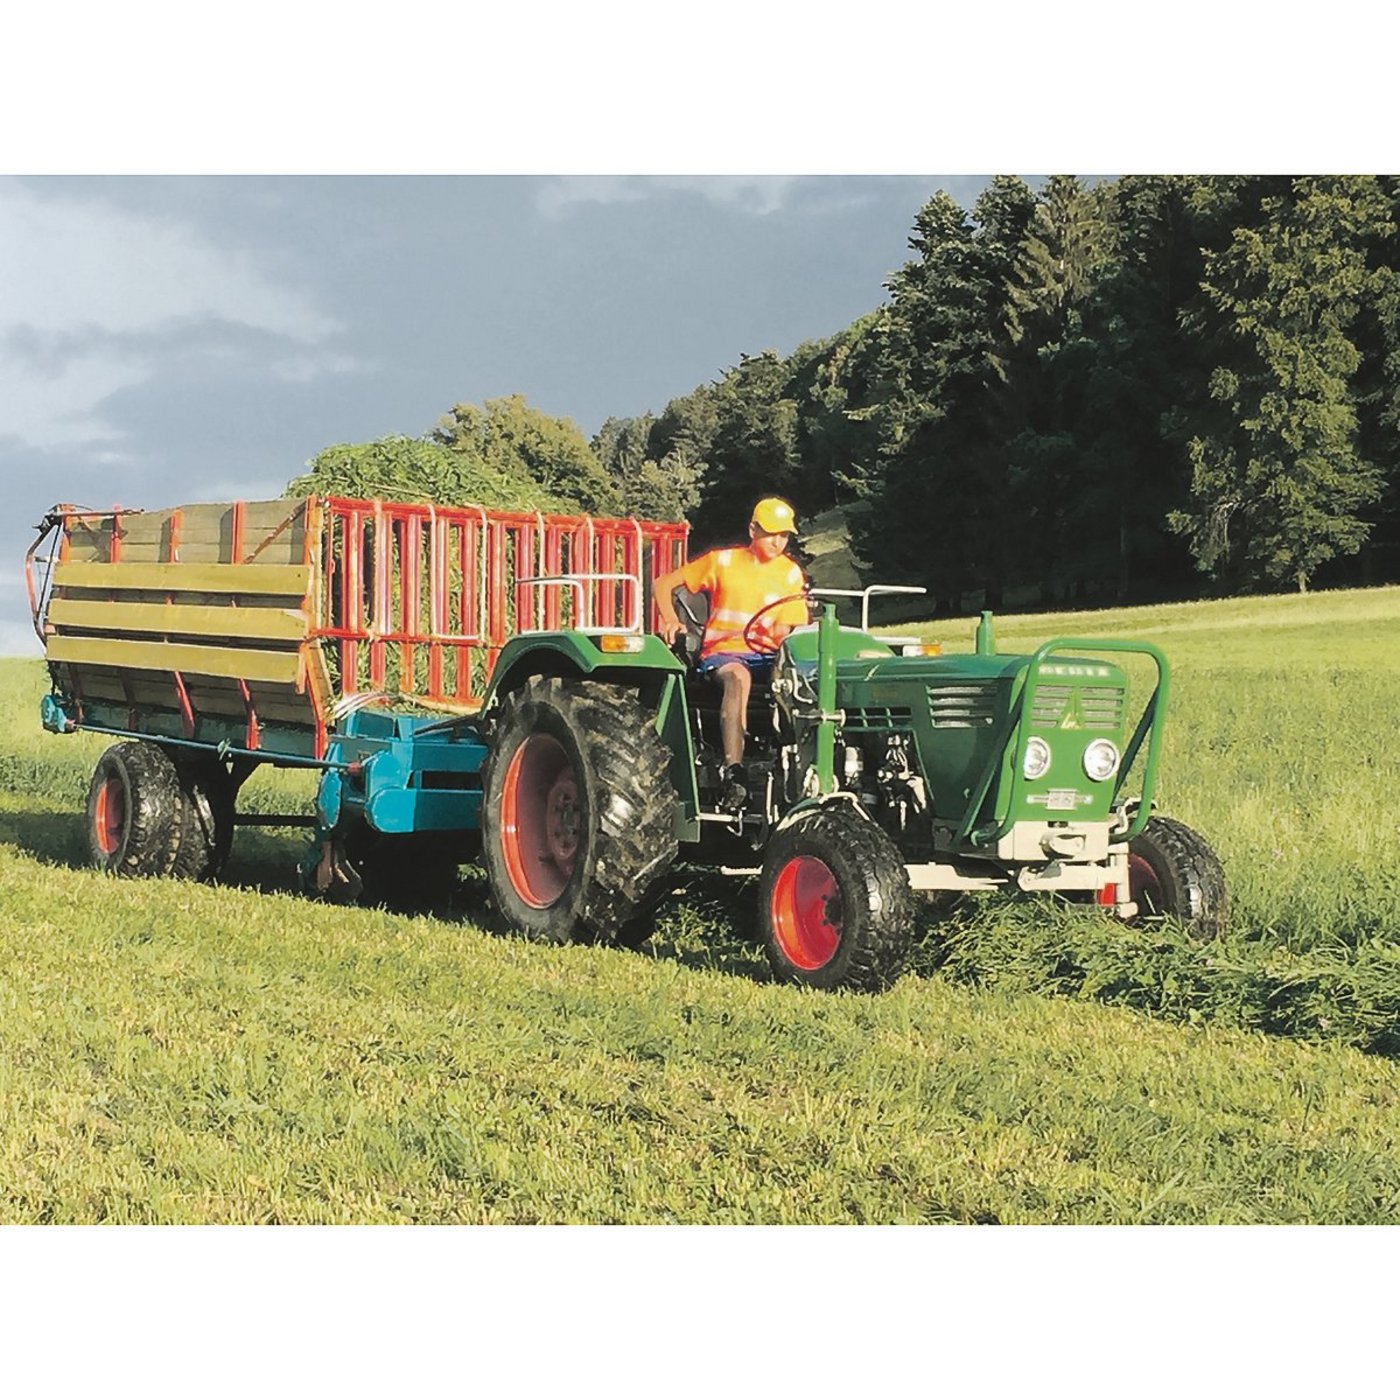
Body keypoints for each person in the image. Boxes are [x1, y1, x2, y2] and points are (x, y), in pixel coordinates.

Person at [654, 495, 809, 811]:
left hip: (771, 657)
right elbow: (663, 584)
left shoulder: (791, 573)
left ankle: (807, 769)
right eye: (771, 533)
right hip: (725, 654)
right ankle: (733, 773)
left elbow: (791, 628)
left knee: (809, 678)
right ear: (753, 529)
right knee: (738, 677)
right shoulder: (722, 562)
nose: (778, 541)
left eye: (784, 535)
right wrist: (670, 620)